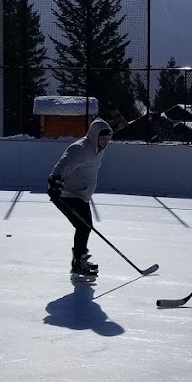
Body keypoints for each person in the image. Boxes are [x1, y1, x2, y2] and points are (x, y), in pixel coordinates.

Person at [47, 118, 113, 279]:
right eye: (102, 138)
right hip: (66, 194)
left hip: (80, 195)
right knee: (84, 226)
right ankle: (78, 263)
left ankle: (80, 260)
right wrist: (55, 180)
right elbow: (64, 164)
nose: (105, 141)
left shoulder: (97, 148)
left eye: (107, 139)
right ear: (94, 135)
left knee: (85, 226)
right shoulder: (80, 148)